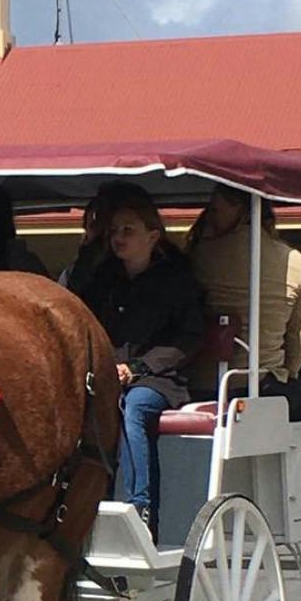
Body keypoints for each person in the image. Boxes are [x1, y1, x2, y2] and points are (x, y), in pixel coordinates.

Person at [69, 185, 205, 539]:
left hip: (159, 379)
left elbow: (189, 339)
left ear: (153, 235)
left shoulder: (178, 280)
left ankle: (139, 509)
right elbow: (78, 306)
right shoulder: (105, 279)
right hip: (107, 375)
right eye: (114, 231)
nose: (118, 237)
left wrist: (140, 368)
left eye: (128, 230)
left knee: (134, 406)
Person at [186, 185, 301, 414]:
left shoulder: (201, 254)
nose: (210, 216)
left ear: (241, 210)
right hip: (264, 382)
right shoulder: (293, 259)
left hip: (203, 383)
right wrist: (287, 373)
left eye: (215, 209)